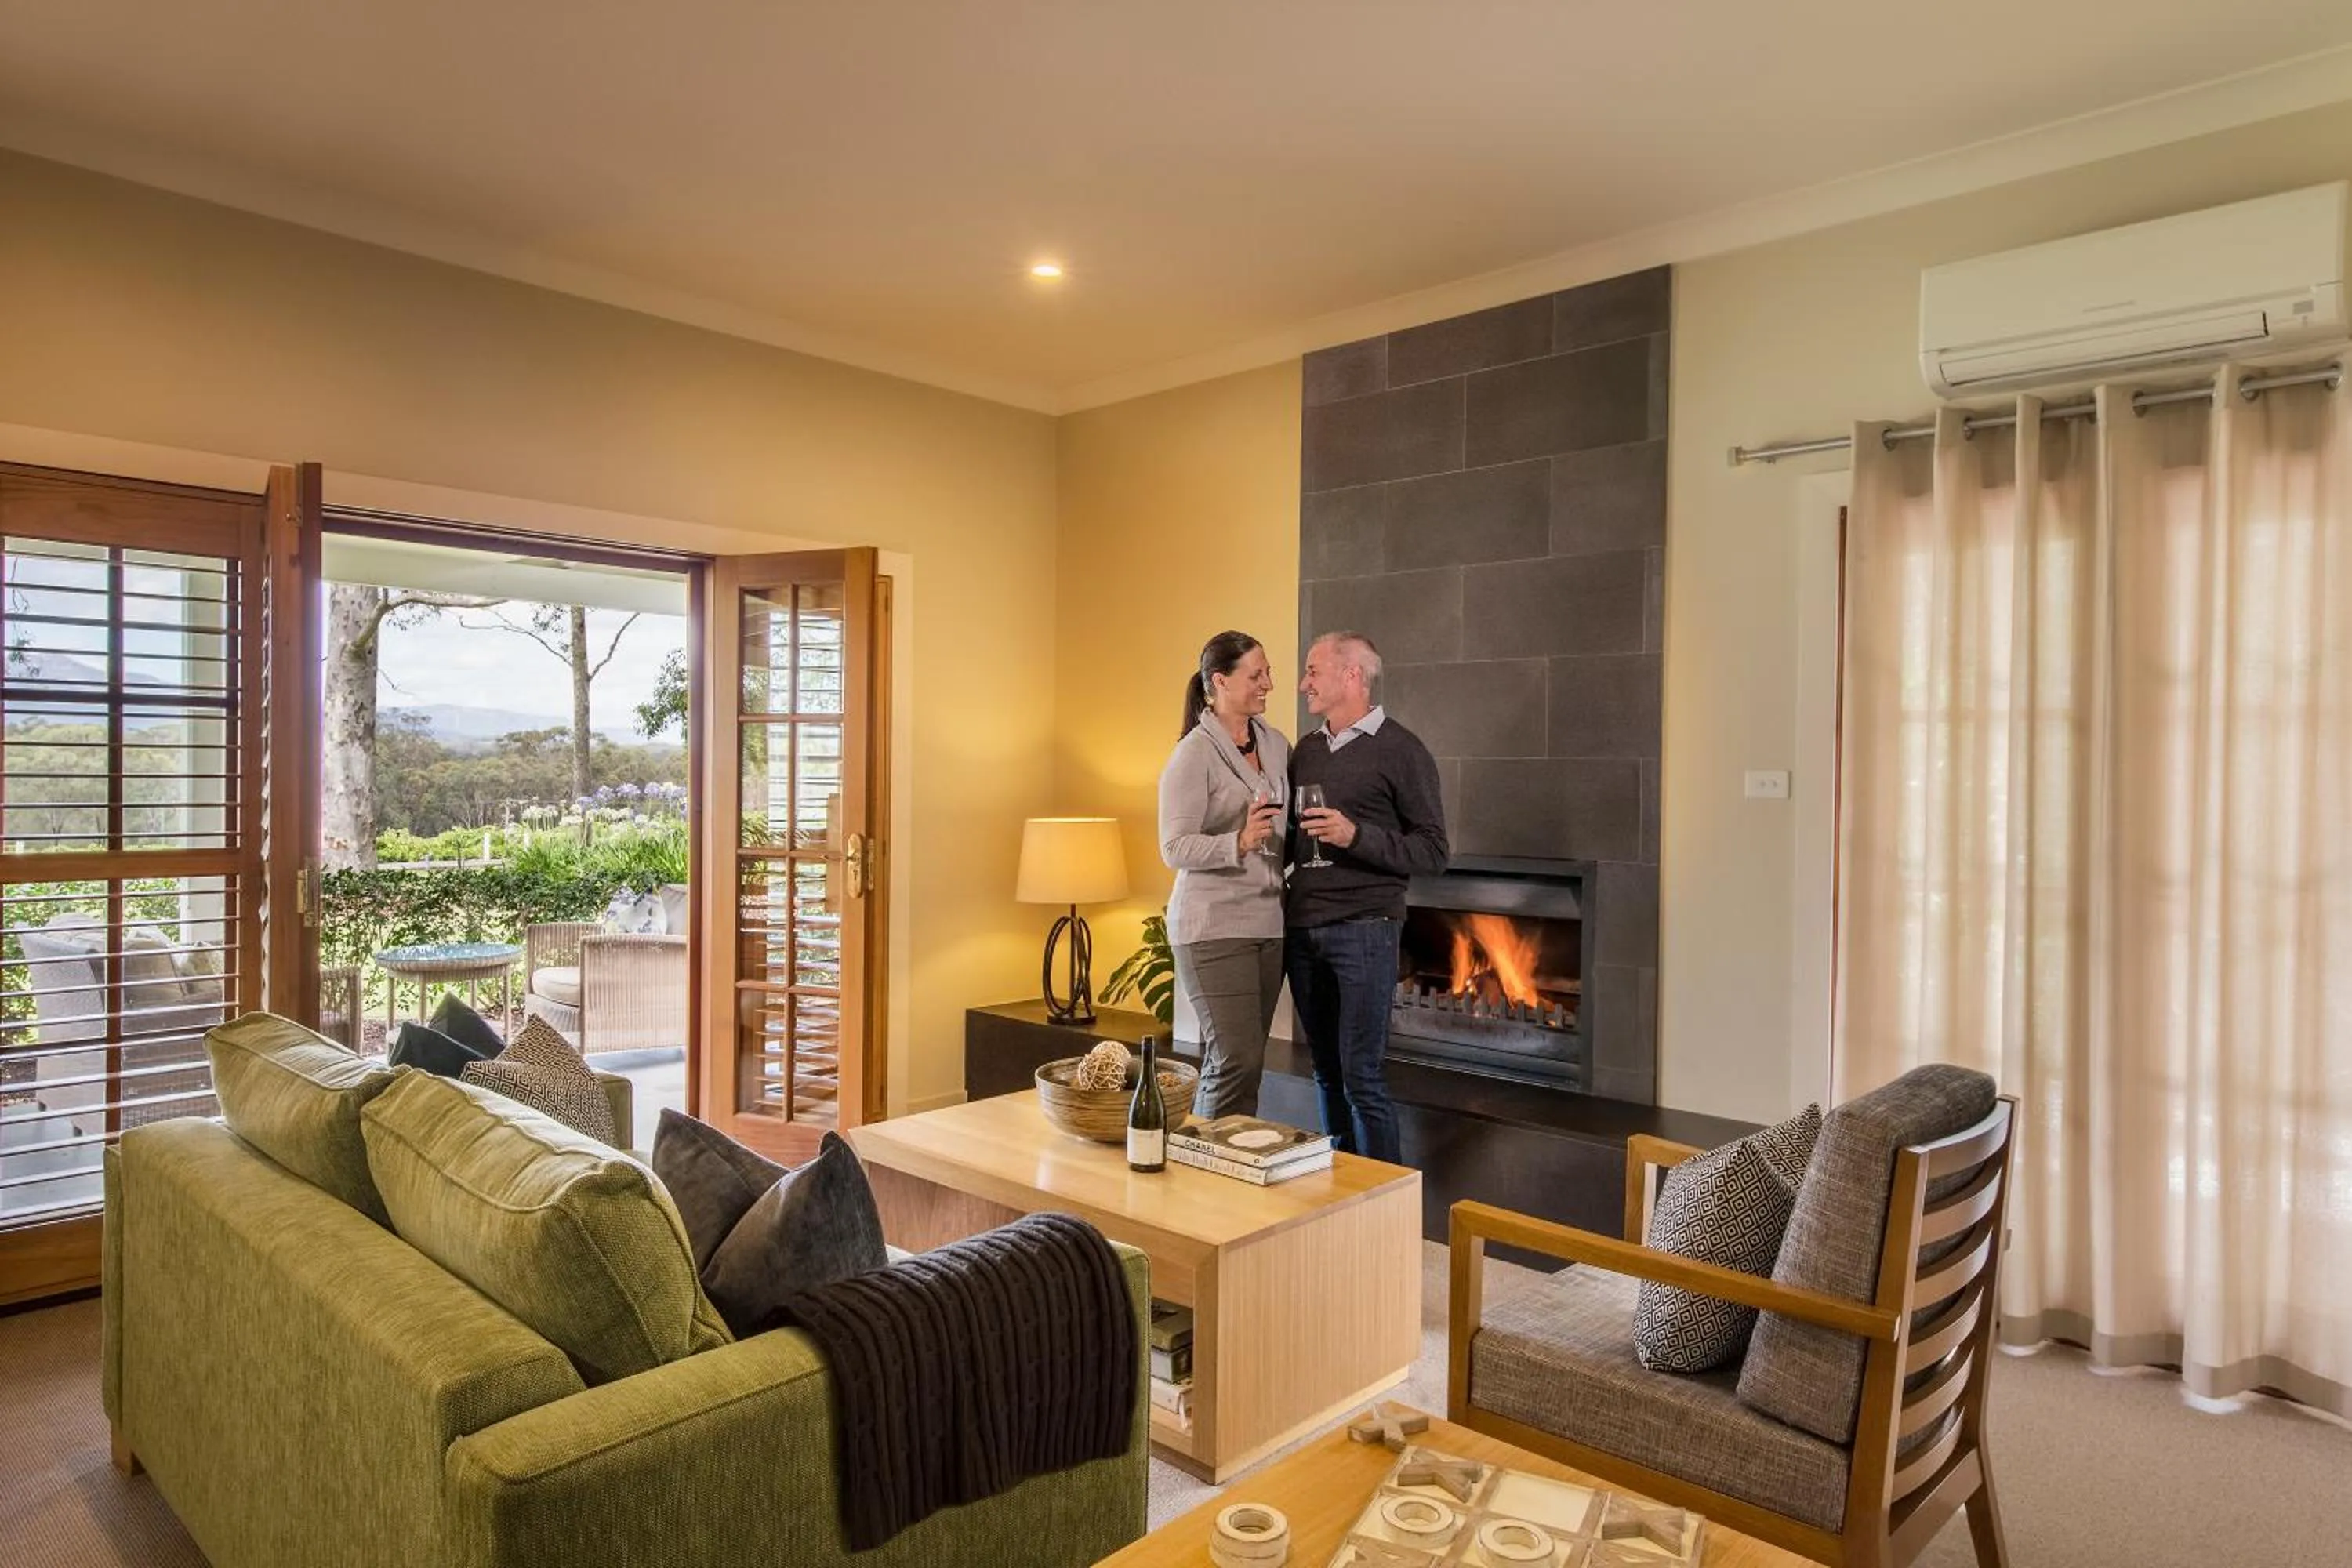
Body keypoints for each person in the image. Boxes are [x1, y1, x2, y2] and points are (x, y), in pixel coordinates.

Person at [1286, 630, 1447, 1164]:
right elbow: (1294, 840)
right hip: (1303, 929)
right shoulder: (1306, 751)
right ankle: (1341, 1190)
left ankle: (1384, 1201)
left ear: (1351, 675)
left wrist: (1354, 835)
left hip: (1366, 930)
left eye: (1313, 671)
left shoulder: (1403, 750)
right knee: (1326, 1072)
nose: (1303, 683)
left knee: (1362, 1076)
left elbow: (1433, 851)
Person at [1157, 631, 1290, 1120]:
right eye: (1256, 675)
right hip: (1212, 927)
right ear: (1220, 681)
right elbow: (1174, 847)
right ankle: (1200, 1159)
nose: (1268, 683)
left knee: (1249, 1065)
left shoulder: (1276, 744)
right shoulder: (1193, 754)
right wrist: (1239, 841)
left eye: (1268, 672)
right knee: (1234, 1060)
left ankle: (1231, 1156)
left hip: (1269, 923)